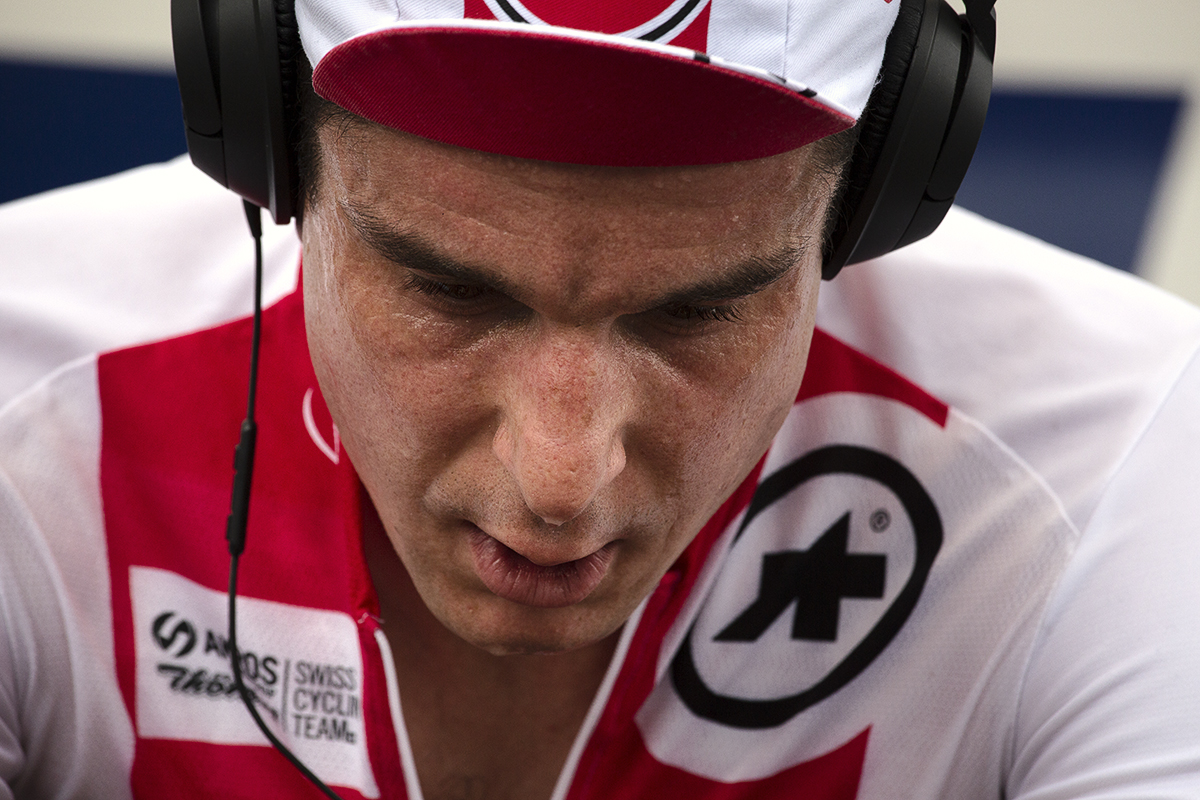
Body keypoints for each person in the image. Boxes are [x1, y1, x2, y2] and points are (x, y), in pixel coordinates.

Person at [2, 1, 1199, 799]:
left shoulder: (1124, 460)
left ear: (868, 213)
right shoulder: (22, 395)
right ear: (276, 169)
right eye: (448, 289)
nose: (561, 478)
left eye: (695, 312)